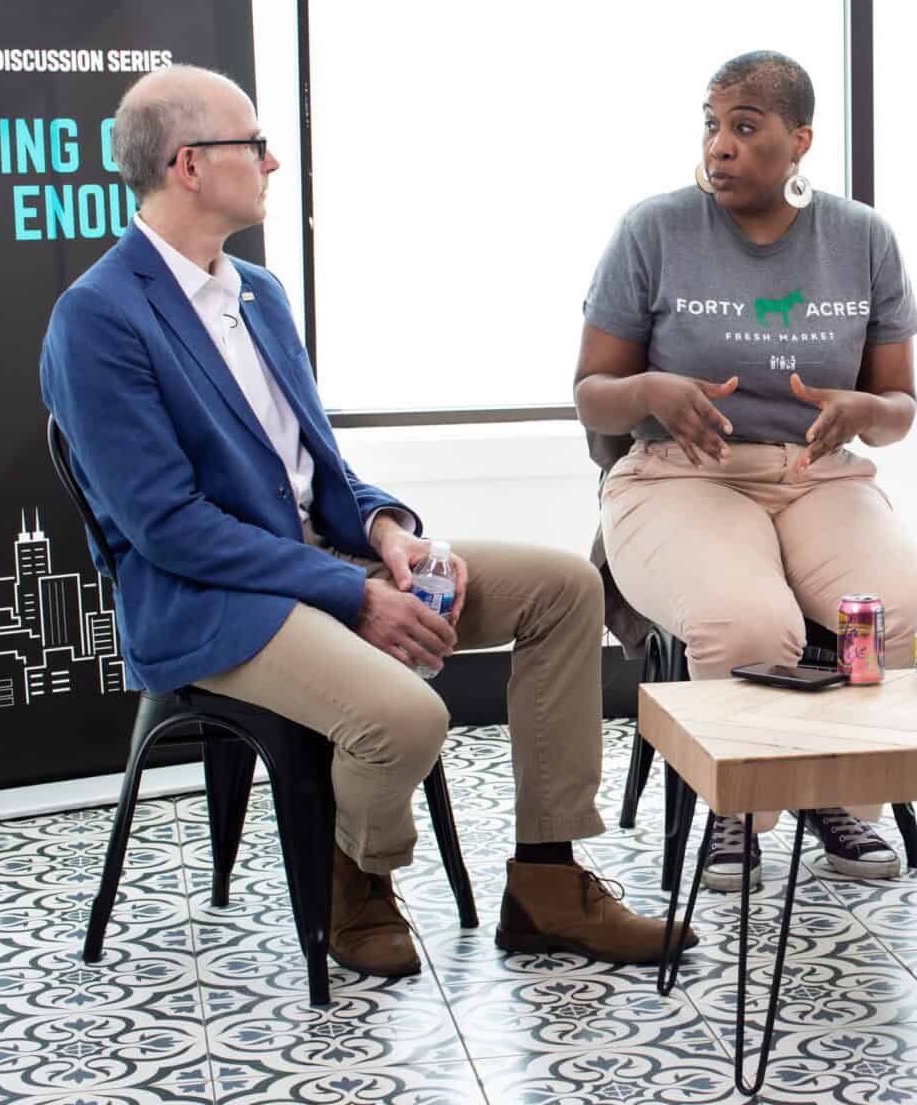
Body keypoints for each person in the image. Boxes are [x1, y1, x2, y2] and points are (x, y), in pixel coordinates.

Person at [40, 65, 691, 978]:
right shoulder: (98, 318)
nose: (272, 162)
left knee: (563, 588)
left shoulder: (258, 294)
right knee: (405, 717)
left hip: (324, 557)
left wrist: (387, 531)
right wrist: (355, 591)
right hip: (210, 599)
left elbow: (318, 468)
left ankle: (546, 879)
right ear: (189, 165)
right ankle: (360, 878)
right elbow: (169, 528)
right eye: (253, 144)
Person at [575, 51, 917, 893]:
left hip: (816, 476)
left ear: (800, 140)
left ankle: (833, 791)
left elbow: (899, 408)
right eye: (712, 125)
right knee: (748, 626)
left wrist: (864, 412)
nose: (721, 146)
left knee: (907, 614)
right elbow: (592, 397)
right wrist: (652, 391)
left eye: (745, 127)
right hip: (680, 476)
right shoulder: (655, 229)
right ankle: (736, 811)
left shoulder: (862, 238)